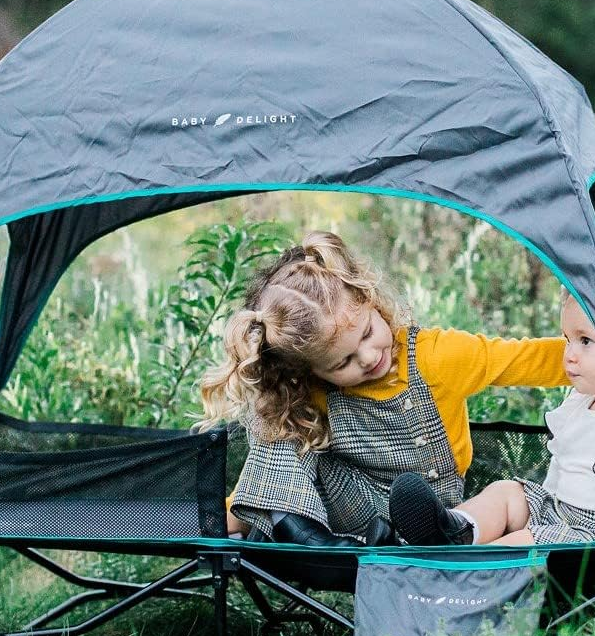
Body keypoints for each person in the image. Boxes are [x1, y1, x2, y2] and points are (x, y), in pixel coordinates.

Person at [200, 231, 572, 547]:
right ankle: (304, 538)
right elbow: (278, 469)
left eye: (366, 333)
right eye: (341, 363)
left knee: (398, 496)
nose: (366, 357)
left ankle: (306, 533)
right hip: (347, 510)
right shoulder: (313, 390)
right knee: (282, 421)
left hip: (427, 513)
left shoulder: (438, 357)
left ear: (370, 299)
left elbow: (525, 359)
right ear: (312, 370)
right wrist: (220, 516)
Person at [388, 259, 595, 547]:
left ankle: (454, 573)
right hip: (560, 513)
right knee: (507, 493)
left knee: (526, 538)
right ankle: (453, 532)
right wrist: (542, 508)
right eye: (567, 339)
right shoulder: (584, 398)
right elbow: (563, 466)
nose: (568, 354)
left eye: (585, 341)